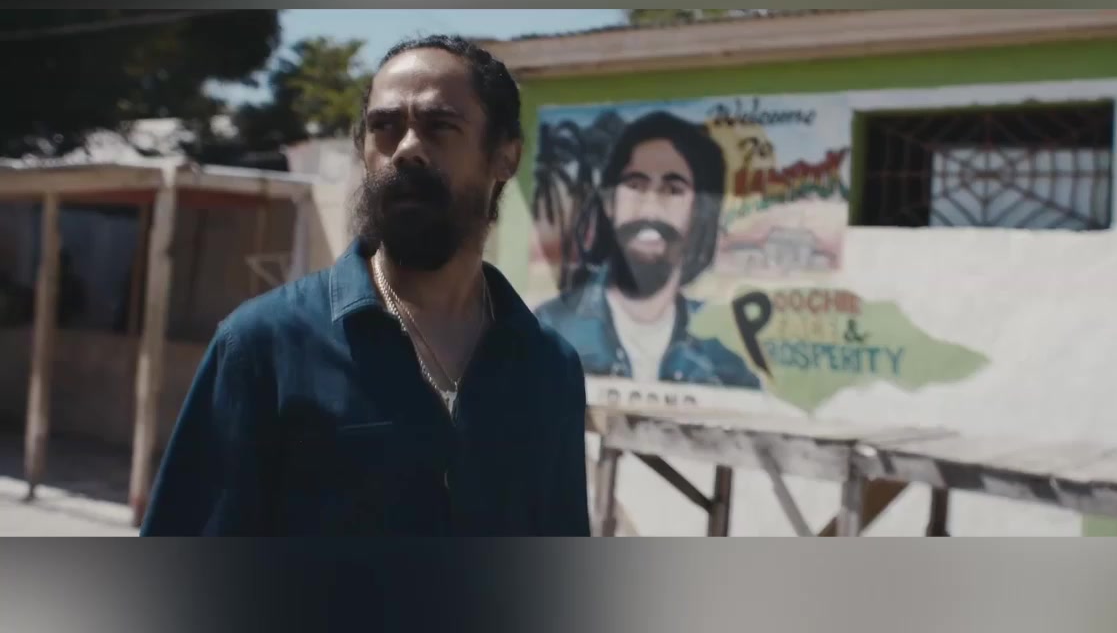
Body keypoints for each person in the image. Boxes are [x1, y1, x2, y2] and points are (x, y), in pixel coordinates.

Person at [141, 36, 590, 536]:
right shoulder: (263, 345)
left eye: (440, 126)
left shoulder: (550, 369)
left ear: (505, 157)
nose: (408, 149)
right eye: (385, 127)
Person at [536, 111, 761, 390]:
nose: (650, 207)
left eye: (673, 189)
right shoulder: (546, 335)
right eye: (635, 185)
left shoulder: (725, 369)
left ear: (699, 213)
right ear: (609, 202)